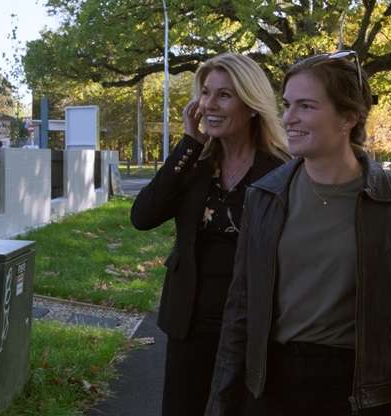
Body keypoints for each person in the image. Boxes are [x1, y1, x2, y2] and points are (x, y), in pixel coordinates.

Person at [207, 51, 391, 416]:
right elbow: (240, 308)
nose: (289, 118)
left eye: (306, 106)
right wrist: (220, 405)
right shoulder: (265, 196)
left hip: (360, 395)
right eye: (287, 105)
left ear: (348, 117)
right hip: (273, 389)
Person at [130, 53, 288, 416]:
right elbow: (142, 216)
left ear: (251, 105)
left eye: (224, 95)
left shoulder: (281, 170)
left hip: (253, 327)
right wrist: (188, 141)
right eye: (205, 93)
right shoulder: (195, 162)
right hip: (190, 322)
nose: (209, 105)